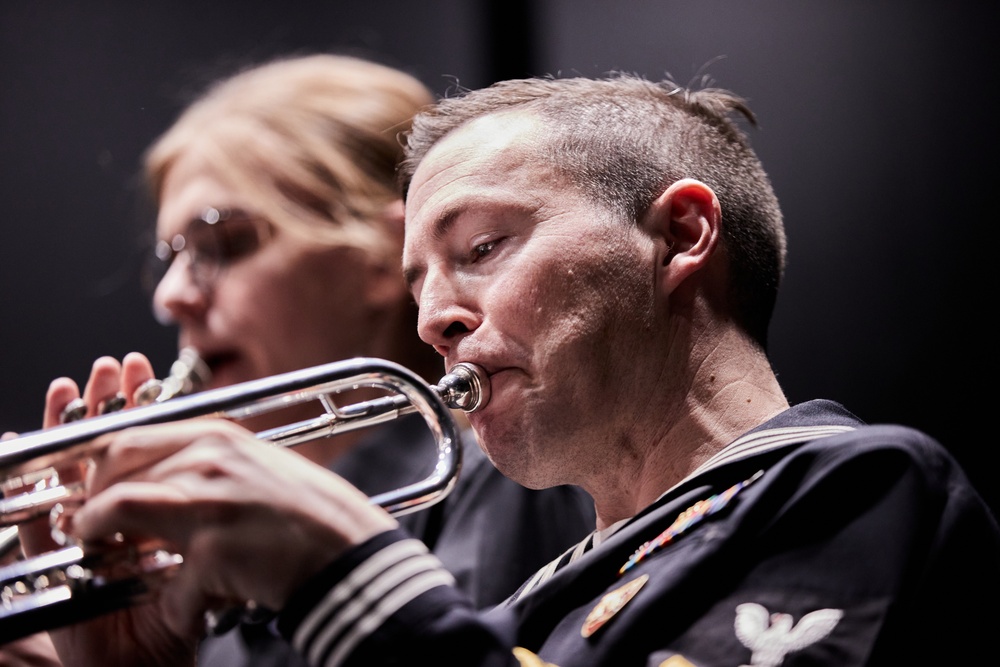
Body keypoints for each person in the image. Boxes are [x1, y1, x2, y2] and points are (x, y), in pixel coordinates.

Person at [23, 72, 1000, 666]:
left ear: (681, 233)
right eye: (419, 280)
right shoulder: (527, 605)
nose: (434, 316)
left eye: (483, 245)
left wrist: (347, 581)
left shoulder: (856, 485)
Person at [10, 57, 595, 662]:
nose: (172, 297)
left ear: (382, 257)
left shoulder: (515, 480)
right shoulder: (206, 545)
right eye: (172, 258)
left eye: (221, 243)